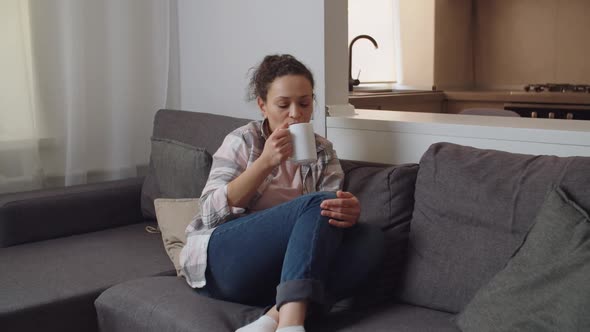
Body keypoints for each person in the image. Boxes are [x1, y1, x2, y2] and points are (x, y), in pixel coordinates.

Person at [179, 54, 384, 332]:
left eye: (304, 103)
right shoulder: (243, 141)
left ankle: (273, 317)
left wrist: (346, 214)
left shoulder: (322, 151)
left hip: (280, 276)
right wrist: (264, 163)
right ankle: (291, 325)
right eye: (283, 104)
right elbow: (210, 213)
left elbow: (323, 226)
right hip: (225, 264)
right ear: (262, 106)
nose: (295, 114)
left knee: (370, 237)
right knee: (317, 203)